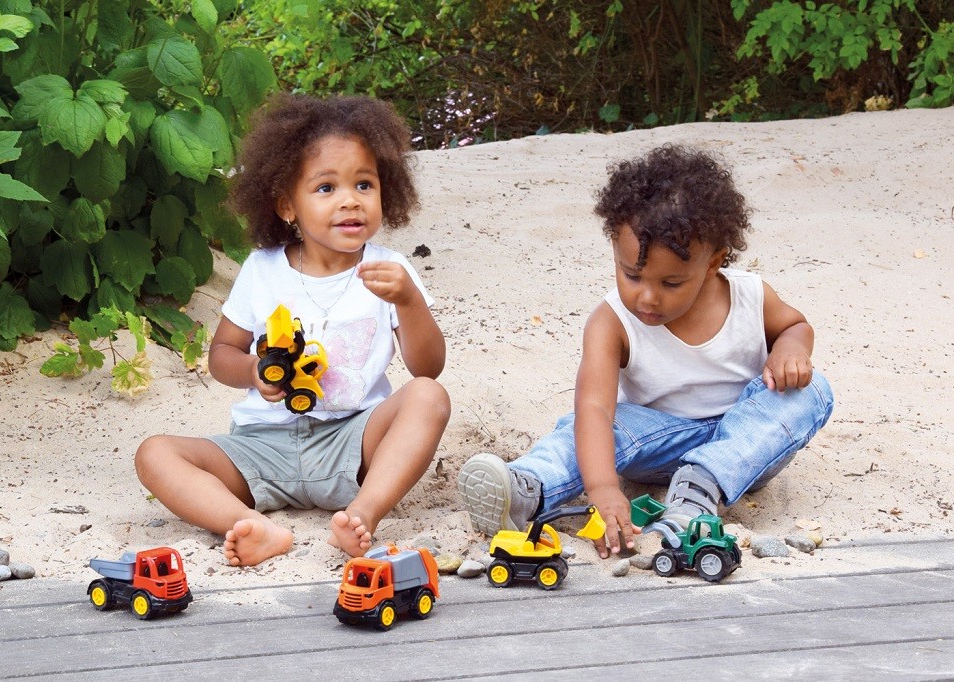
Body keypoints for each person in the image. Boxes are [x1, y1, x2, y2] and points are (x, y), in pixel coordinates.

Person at [457, 144, 833, 559]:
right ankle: (529, 486)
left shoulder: (750, 296)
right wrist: (603, 488)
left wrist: (790, 349)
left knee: (812, 391)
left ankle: (699, 488)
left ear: (713, 263)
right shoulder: (611, 322)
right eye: (632, 275)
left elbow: (795, 326)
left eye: (671, 283)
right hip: (654, 441)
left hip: (743, 450)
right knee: (588, 426)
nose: (647, 297)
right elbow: (595, 408)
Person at [136, 94, 450, 566]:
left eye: (364, 184)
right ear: (287, 205)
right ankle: (251, 525)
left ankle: (362, 514)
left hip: (352, 442)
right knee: (155, 453)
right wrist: (254, 371)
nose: (350, 200)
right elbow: (221, 354)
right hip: (261, 446)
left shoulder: (391, 271)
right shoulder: (262, 270)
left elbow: (428, 368)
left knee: (428, 397)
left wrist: (409, 302)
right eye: (326, 187)